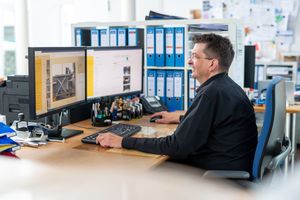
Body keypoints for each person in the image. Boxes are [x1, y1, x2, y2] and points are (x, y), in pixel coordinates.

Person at [96, 33, 258, 172]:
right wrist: (180, 119)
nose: (189, 61)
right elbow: (213, 123)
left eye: (195, 56)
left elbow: (176, 146)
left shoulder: (212, 93)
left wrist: (122, 141)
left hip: (215, 175)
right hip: (228, 164)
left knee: (142, 168)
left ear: (212, 64)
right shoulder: (225, 87)